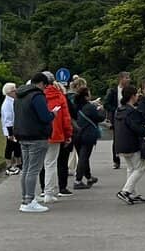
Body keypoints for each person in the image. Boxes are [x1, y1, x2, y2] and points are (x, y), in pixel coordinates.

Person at [13, 73, 57, 213]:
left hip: (22, 135)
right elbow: (44, 117)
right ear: (42, 84)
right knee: (33, 169)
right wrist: (53, 114)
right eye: (45, 86)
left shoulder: (19, 96)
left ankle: (25, 198)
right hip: (37, 137)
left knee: (25, 168)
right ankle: (30, 200)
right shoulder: (37, 96)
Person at [40, 73, 73, 203]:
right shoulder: (59, 96)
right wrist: (68, 134)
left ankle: (40, 191)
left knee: (38, 165)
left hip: (39, 134)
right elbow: (66, 118)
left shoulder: (37, 96)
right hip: (56, 133)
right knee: (51, 164)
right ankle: (49, 192)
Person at [114, 85, 145, 205]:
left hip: (120, 144)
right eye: (136, 95)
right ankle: (125, 191)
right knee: (141, 167)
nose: (137, 96)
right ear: (132, 96)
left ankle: (132, 193)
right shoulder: (131, 112)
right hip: (131, 144)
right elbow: (136, 128)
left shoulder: (119, 110)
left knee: (131, 168)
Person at [72, 87, 104, 190]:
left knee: (82, 156)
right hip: (87, 135)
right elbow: (99, 118)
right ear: (86, 96)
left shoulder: (75, 106)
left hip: (76, 134)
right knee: (84, 157)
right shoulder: (89, 107)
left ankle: (89, 177)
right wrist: (101, 110)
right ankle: (78, 180)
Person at [103, 71, 131, 169]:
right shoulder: (114, 91)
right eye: (126, 78)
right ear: (121, 79)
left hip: (128, 116)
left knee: (129, 137)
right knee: (117, 138)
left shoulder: (129, 90)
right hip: (117, 117)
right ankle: (116, 160)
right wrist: (115, 110)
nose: (128, 79)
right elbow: (106, 104)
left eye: (129, 78)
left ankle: (130, 158)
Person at [1, 82, 22, 175]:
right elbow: (8, 119)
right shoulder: (7, 104)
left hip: (16, 128)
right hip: (10, 129)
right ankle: (8, 165)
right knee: (10, 147)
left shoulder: (14, 101)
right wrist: (10, 133)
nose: (16, 91)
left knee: (17, 146)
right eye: (14, 90)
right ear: (9, 92)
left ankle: (19, 163)